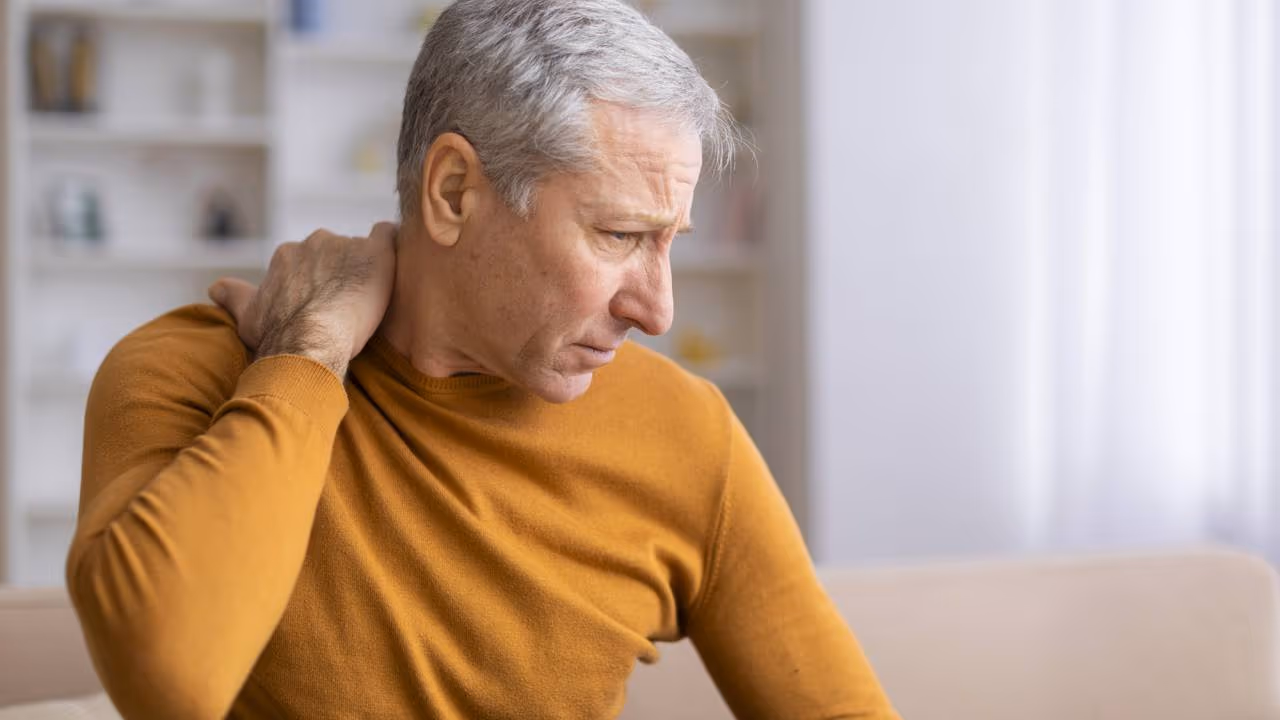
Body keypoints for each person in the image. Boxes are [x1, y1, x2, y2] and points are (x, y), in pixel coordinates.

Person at [66, 1, 900, 717]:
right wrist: (308, 353)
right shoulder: (193, 371)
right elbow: (168, 679)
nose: (658, 310)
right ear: (454, 192)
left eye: (668, 240)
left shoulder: (687, 434)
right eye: (619, 235)